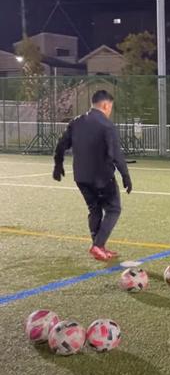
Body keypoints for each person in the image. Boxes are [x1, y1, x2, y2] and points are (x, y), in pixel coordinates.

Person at [53, 90, 132, 261]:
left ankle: (99, 247)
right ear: (105, 105)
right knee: (113, 209)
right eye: (110, 107)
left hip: (81, 177)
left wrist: (58, 164)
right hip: (102, 177)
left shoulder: (76, 122)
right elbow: (115, 154)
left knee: (94, 209)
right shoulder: (107, 125)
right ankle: (98, 245)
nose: (110, 110)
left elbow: (61, 144)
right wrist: (125, 176)